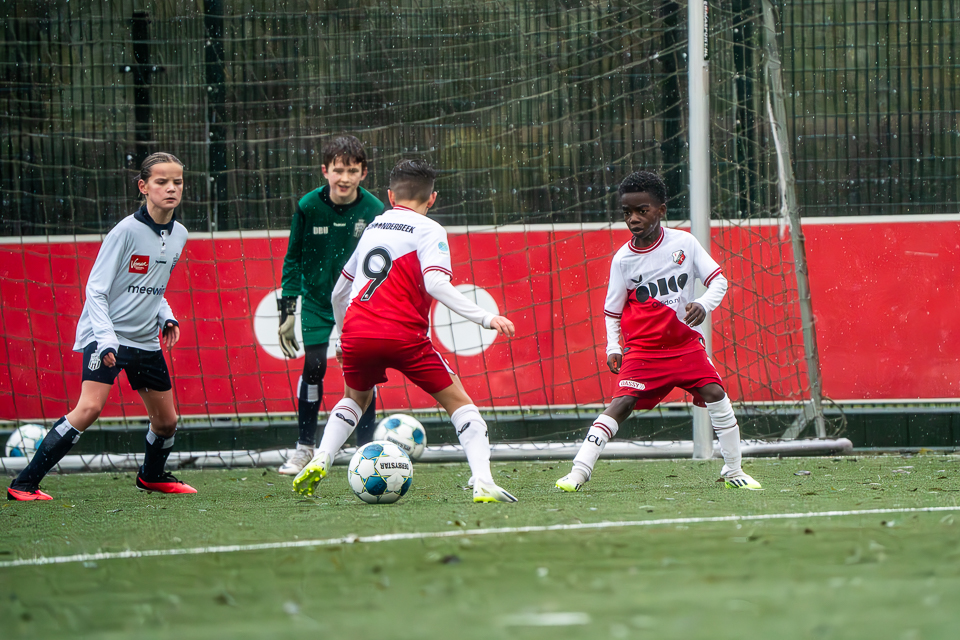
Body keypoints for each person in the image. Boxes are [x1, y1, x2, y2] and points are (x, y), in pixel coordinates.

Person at [293, 159, 519, 503]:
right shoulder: (429, 229)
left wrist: (342, 336)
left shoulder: (374, 226)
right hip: (403, 336)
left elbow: (340, 291)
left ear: (389, 195)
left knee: (355, 398)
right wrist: (485, 318)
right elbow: (436, 282)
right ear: (432, 199)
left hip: (357, 331)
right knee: (460, 404)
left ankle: (322, 456)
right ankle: (483, 480)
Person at [556, 171, 762, 492]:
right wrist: (613, 346)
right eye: (627, 212)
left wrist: (704, 304)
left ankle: (734, 471)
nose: (633, 219)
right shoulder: (623, 260)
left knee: (716, 395)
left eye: (642, 210)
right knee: (622, 403)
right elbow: (612, 311)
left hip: (683, 345)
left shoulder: (684, 243)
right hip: (644, 350)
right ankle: (578, 472)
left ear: (661, 210)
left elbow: (718, 281)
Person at [8, 152, 195, 501]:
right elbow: (96, 289)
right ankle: (24, 483)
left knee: (167, 422)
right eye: (161, 182)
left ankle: (151, 476)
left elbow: (155, 286)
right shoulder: (125, 232)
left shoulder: (180, 234)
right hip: (105, 335)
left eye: (177, 182)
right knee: (89, 408)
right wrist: (107, 340)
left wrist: (165, 316)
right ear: (143, 187)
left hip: (145, 342)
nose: (171, 188)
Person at [277, 135, 384, 476]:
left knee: (363, 373)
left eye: (352, 170)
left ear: (363, 173)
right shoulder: (308, 205)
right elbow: (292, 259)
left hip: (359, 305)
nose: (344, 178)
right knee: (314, 366)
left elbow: (385, 260)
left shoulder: (375, 210)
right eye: (338, 170)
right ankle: (304, 448)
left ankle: (366, 451)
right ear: (325, 171)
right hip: (317, 303)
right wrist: (287, 312)